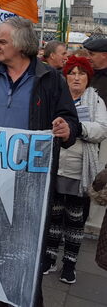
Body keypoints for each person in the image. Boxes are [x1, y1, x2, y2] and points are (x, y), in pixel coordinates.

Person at [0, 17, 79, 307]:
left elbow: (70, 120)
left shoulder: (50, 80)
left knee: (28, 249)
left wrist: (67, 128)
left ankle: (28, 299)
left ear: (22, 45)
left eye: (2, 41)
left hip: (30, 182)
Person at [44, 56, 107, 284]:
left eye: (81, 73)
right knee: (53, 216)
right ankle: (49, 258)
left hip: (79, 170)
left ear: (88, 78)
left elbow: (101, 129)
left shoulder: (96, 102)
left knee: (74, 219)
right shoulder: (57, 98)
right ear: (66, 76)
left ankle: (69, 264)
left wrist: (77, 128)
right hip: (55, 166)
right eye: (72, 73)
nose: (77, 77)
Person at [84, 37, 107, 102]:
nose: (88, 57)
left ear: (104, 55)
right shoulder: (84, 74)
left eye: (91, 54)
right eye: (87, 54)